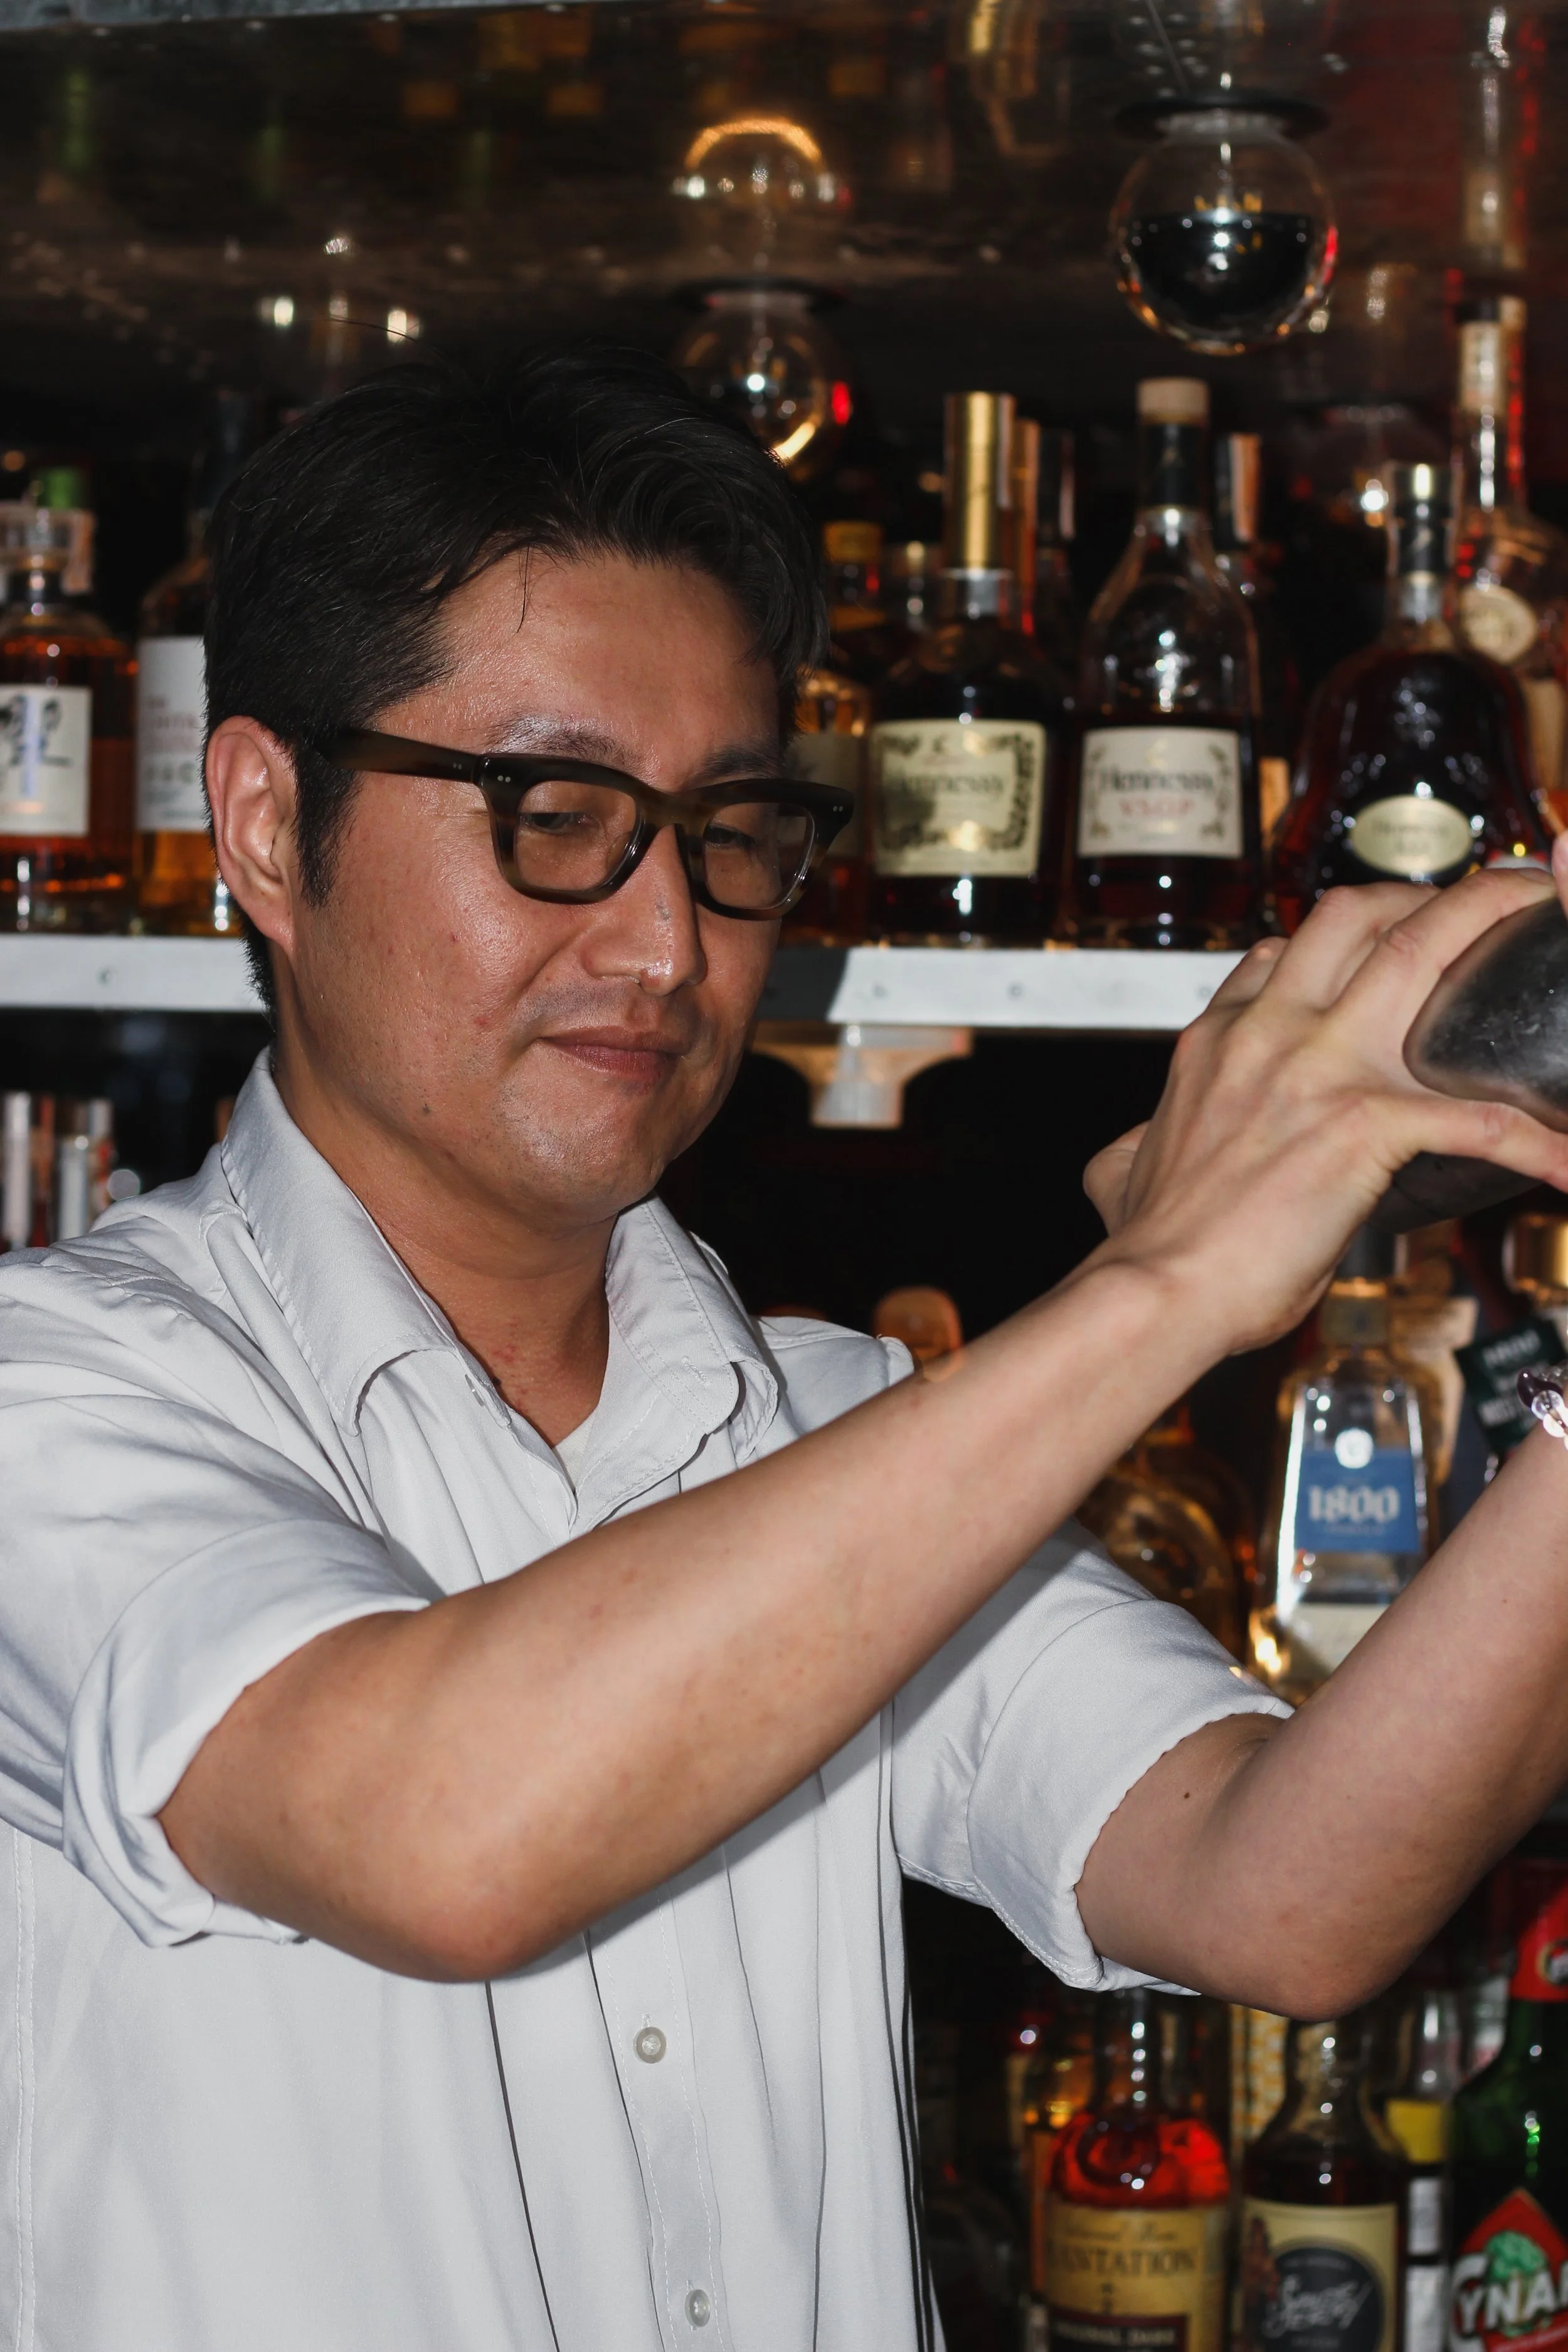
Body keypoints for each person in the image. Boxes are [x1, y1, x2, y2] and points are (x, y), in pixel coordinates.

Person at [2, 347, 1567, 2352]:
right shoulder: (56, 1395)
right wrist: (1168, 1278)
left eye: (730, 831)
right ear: (259, 822)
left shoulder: (824, 1426)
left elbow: (1281, 1888)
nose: (665, 945)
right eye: (554, 812)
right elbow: (438, 1830)